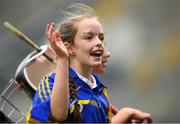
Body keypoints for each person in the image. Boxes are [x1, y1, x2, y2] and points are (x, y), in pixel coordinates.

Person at [26, 3, 152, 123]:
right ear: (69, 48)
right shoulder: (49, 83)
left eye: (101, 38)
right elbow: (58, 115)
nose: (99, 43)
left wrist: (126, 114)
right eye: (89, 37)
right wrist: (63, 59)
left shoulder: (100, 91)